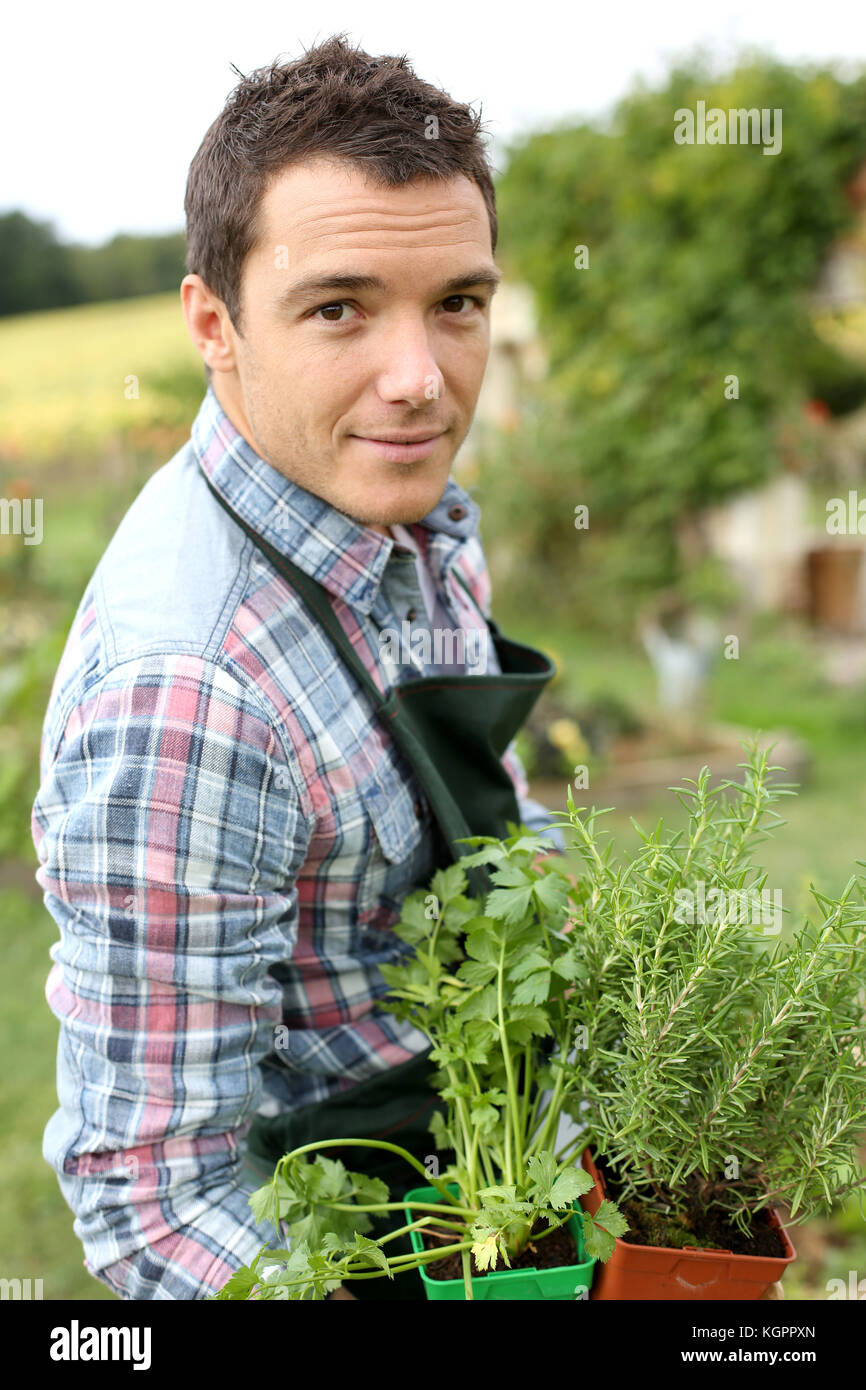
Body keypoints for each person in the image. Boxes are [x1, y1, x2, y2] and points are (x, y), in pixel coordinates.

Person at [32, 33, 563, 1301]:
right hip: (355, 1247)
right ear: (213, 323)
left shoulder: (393, 510)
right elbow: (155, 1205)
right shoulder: (190, 692)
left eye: (458, 304)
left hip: (489, 1182)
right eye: (338, 308)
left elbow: (479, 819)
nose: (420, 381)